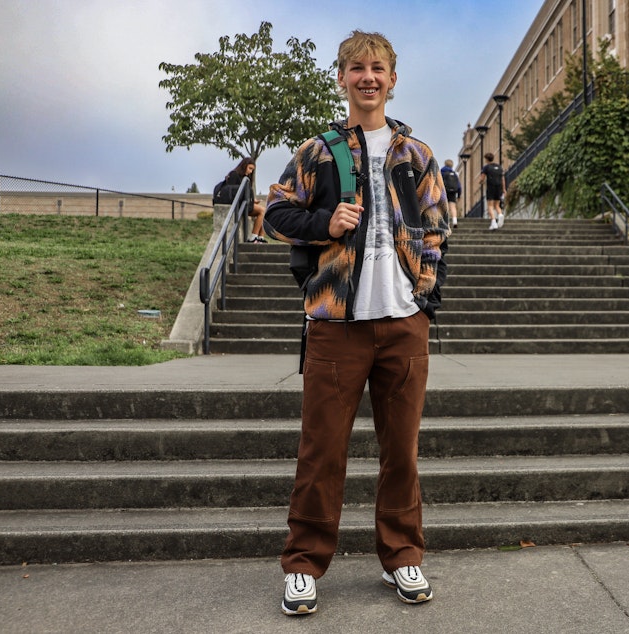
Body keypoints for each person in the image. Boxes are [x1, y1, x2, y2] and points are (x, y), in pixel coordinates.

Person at [264, 30, 448, 617]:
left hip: (402, 323)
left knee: (403, 449)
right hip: (336, 323)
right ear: (341, 78)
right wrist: (325, 224)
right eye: (356, 68)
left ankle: (403, 555)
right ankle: (303, 563)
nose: (367, 77)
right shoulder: (318, 150)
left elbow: (439, 230)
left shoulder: (416, 154)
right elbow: (272, 214)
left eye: (378, 68)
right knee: (322, 448)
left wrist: (424, 296)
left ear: (393, 80)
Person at [221, 157, 266, 243]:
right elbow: (233, 192)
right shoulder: (234, 175)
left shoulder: (246, 178)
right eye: (250, 168)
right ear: (244, 166)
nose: (251, 171)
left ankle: (260, 237)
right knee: (263, 211)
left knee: (265, 211)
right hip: (240, 205)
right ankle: (254, 236)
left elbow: (246, 193)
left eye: (252, 170)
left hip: (246, 203)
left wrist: (253, 200)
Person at [479, 152, 506, 230]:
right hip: (499, 187)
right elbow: (502, 179)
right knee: (497, 205)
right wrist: (504, 189)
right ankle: (500, 214)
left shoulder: (486, 167)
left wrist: (480, 182)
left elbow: (482, 178)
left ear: (486, 159)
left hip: (491, 187)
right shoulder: (499, 167)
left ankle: (493, 222)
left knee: (490, 206)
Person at [440, 159, 461, 228]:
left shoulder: (441, 172)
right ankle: (455, 221)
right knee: (452, 207)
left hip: (444, 191)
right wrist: (459, 195)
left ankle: (445, 221)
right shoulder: (454, 174)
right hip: (453, 192)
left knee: (443, 206)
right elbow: (459, 185)